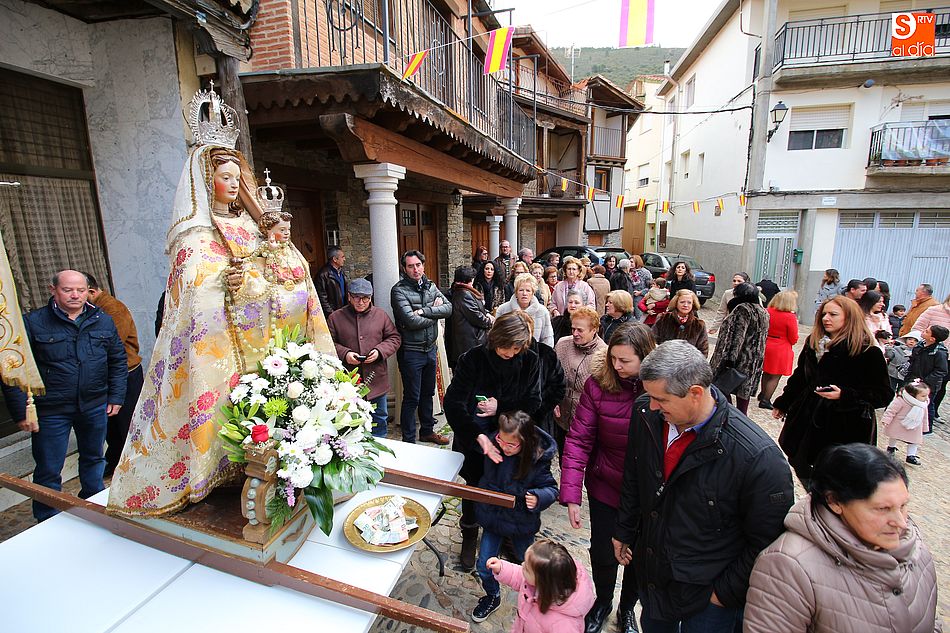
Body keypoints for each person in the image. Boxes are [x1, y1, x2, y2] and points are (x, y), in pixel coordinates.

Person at [108, 140, 336, 517]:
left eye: (236, 177)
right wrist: (228, 286)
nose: (233, 185)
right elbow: (193, 295)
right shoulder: (194, 238)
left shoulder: (253, 226)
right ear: (204, 181)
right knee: (214, 412)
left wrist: (253, 282)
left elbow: (285, 275)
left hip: (263, 344)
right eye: (224, 177)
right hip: (216, 350)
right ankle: (209, 475)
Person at [612, 340, 793, 633]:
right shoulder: (646, 412)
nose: (653, 405)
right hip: (656, 581)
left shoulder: (757, 458)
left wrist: (722, 595)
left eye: (662, 399)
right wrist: (624, 528)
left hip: (707, 601)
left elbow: (767, 541)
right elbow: (635, 474)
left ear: (695, 393)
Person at [744, 444, 940, 633]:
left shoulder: (915, 547)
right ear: (835, 502)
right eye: (883, 509)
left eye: (903, 506)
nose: (901, 523)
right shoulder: (789, 566)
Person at [2, 270, 127, 521]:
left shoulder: (102, 319)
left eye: (81, 290)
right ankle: (47, 516)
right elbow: (14, 366)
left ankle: (93, 504)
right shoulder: (34, 322)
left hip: (93, 405)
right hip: (51, 410)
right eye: (68, 290)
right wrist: (21, 411)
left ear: (88, 291)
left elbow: (117, 360)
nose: (75, 295)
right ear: (53, 290)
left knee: (94, 458)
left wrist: (116, 396)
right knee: (49, 467)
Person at [560, 323, 655, 633]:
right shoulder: (598, 385)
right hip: (606, 487)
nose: (618, 366)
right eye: (614, 358)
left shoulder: (660, 388)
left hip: (647, 493)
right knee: (603, 552)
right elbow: (578, 440)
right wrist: (572, 494)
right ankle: (602, 601)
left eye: (625, 361)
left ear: (646, 357)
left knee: (638, 557)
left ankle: (627, 608)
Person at [444, 311, 542, 571]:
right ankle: (469, 534)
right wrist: (476, 437)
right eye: (504, 347)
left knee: (510, 491)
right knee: (474, 490)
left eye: (515, 348)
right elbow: (453, 403)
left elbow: (533, 401)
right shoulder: (473, 358)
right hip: (475, 441)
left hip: (513, 443)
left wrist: (501, 408)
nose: (509, 353)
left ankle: (507, 536)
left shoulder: (530, 361)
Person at [772, 296, 893, 485]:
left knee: (835, 475)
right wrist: (784, 403)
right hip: (808, 417)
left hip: (845, 425)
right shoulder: (814, 343)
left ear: (849, 317)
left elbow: (883, 394)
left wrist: (845, 395)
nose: (826, 318)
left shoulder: (867, 351)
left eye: (833, 314)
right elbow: (801, 377)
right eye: (824, 314)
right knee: (801, 462)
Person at [471, 411, 558, 623]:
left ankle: (538, 595)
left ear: (525, 443)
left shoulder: (537, 461)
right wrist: (482, 430)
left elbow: (552, 488)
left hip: (521, 523)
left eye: (510, 445)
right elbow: (475, 428)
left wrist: (539, 497)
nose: (503, 446)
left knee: (529, 562)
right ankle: (492, 595)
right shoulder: (495, 443)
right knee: (484, 565)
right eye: (500, 439)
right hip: (494, 518)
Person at [82, 273, 144, 478]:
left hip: (126, 372)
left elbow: (110, 344)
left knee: (128, 423)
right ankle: (116, 460)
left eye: (81, 291)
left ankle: (134, 465)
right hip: (105, 375)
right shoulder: (91, 309)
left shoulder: (113, 308)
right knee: (112, 426)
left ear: (91, 291)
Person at [391, 249, 452, 445]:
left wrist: (425, 311)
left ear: (423, 265)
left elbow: (449, 308)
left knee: (428, 393)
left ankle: (427, 431)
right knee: (412, 397)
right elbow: (409, 321)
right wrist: (435, 314)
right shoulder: (398, 290)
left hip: (430, 349)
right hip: (411, 351)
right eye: (411, 266)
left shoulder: (430, 286)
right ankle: (409, 441)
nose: (415, 269)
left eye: (418, 265)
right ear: (405, 268)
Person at [327, 278, 401, 437]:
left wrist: (379, 351)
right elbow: (328, 344)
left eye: (365, 298)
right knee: (349, 421)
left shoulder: (380, 315)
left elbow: (394, 338)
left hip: (376, 379)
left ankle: (380, 449)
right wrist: (345, 354)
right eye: (356, 297)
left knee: (379, 418)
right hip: (348, 381)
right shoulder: (335, 317)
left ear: (371, 297)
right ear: (349, 297)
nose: (361, 302)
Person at [486, 539, 596, 633]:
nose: (522, 565)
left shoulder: (564, 625)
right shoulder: (543, 582)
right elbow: (520, 576)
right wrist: (502, 568)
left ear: (542, 582)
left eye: (527, 568)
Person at [708, 282, 770, 415]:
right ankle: (739, 417)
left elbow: (736, 337)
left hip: (738, 360)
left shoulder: (742, 309)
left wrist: (728, 361)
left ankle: (730, 417)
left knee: (721, 388)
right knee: (743, 394)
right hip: (753, 360)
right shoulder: (763, 311)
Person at [553, 306, 607, 454]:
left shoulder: (604, 353)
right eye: (573, 329)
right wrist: (552, 399)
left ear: (594, 329)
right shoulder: (562, 344)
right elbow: (551, 375)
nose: (575, 334)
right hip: (561, 416)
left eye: (580, 330)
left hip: (586, 420)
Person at [758, 290, 799, 410]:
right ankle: (766, 399)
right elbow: (793, 337)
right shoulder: (789, 317)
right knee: (775, 376)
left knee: (766, 372)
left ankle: (762, 393)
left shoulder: (767, 311)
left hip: (766, 344)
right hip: (781, 347)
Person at [446, 265, 493, 368]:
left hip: (468, 342)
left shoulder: (460, 292)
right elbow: (476, 317)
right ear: (470, 279)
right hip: (470, 342)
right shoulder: (464, 294)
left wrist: (487, 313)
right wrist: (489, 321)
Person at [912, 293, 950, 420]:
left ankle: (931, 415)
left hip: (946, 356)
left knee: (941, 385)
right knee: (922, 384)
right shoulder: (934, 310)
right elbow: (918, 328)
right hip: (928, 353)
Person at [496, 273, 555, 347]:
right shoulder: (503, 310)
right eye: (521, 290)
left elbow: (547, 340)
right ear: (516, 292)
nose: (524, 293)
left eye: (528, 290)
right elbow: (497, 337)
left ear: (533, 292)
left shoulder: (542, 311)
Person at [906, 325, 948, 426]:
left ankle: (926, 427)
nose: (923, 331)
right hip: (914, 379)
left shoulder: (940, 352)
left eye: (927, 331)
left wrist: (925, 381)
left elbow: (941, 370)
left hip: (929, 385)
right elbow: (914, 360)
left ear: (932, 338)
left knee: (927, 405)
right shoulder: (920, 345)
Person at [883, 380, 931, 466]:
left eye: (927, 395)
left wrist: (925, 427)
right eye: (923, 396)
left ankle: (911, 456)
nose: (926, 398)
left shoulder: (923, 404)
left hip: (915, 426)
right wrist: (886, 419)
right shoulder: (901, 400)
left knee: (914, 441)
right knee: (894, 436)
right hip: (898, 423)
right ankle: (891, 448)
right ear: (912, 395)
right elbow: (891, 410)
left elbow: (924, 417)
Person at [651, 289, 709, 357]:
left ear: (693, 304)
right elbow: (652, 341)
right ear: (676, 303)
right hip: (664, 363)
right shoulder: (663, 318)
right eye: (682, 302)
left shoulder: (699, 325)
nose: (685, 305)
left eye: (689, 302)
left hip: (688, 366)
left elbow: (703, 351)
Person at [313, 245, 348, 318]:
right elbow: (322, 298)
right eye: (342, 257)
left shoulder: (342, 272)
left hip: (343, 312)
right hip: (332, 315)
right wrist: (332, 314)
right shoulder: (322, 275)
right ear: (335, 259)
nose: (344, 259)